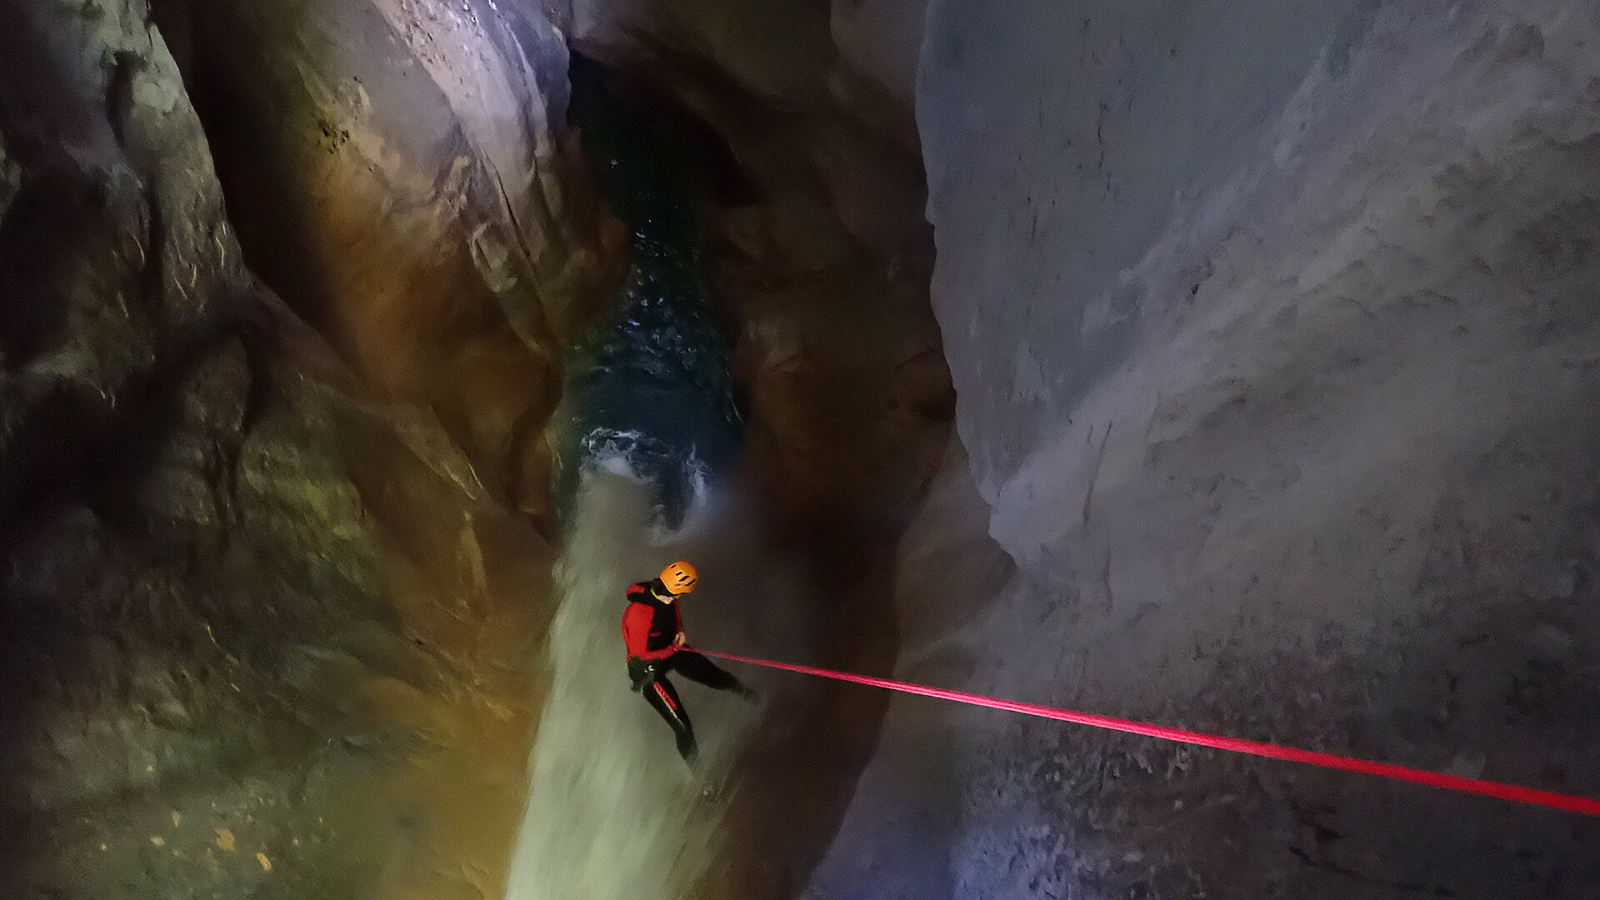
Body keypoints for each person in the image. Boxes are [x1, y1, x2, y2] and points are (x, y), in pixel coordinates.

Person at [623, 560, 757, 765]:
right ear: (678, 591)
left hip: (671, 651)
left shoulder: (668, 599)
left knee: (718, 677)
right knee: (682, 727)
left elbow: (673, 614)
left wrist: (680, 630)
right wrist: (671, 650)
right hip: (648, 672)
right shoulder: (640, 614)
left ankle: (754, 699)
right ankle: (701, 777)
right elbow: (638, 658)